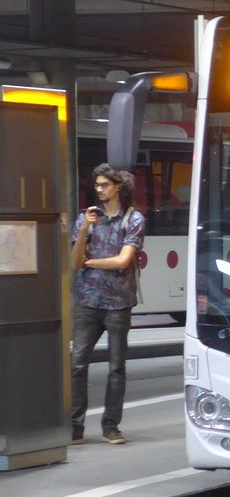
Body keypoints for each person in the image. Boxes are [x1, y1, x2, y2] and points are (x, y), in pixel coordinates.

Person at [69, 164, 145, 445]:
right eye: (97, 185)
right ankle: (75, 427)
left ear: (118, 187)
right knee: (77, 364)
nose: (98, 190)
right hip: (88, 300)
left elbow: (122, 261)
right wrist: (86, 227)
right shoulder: (86, 219)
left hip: (118, 302)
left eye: (104, 185)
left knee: (116, 367)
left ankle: (110, 426)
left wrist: (91, 262)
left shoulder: (134, 219)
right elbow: (75, 263)